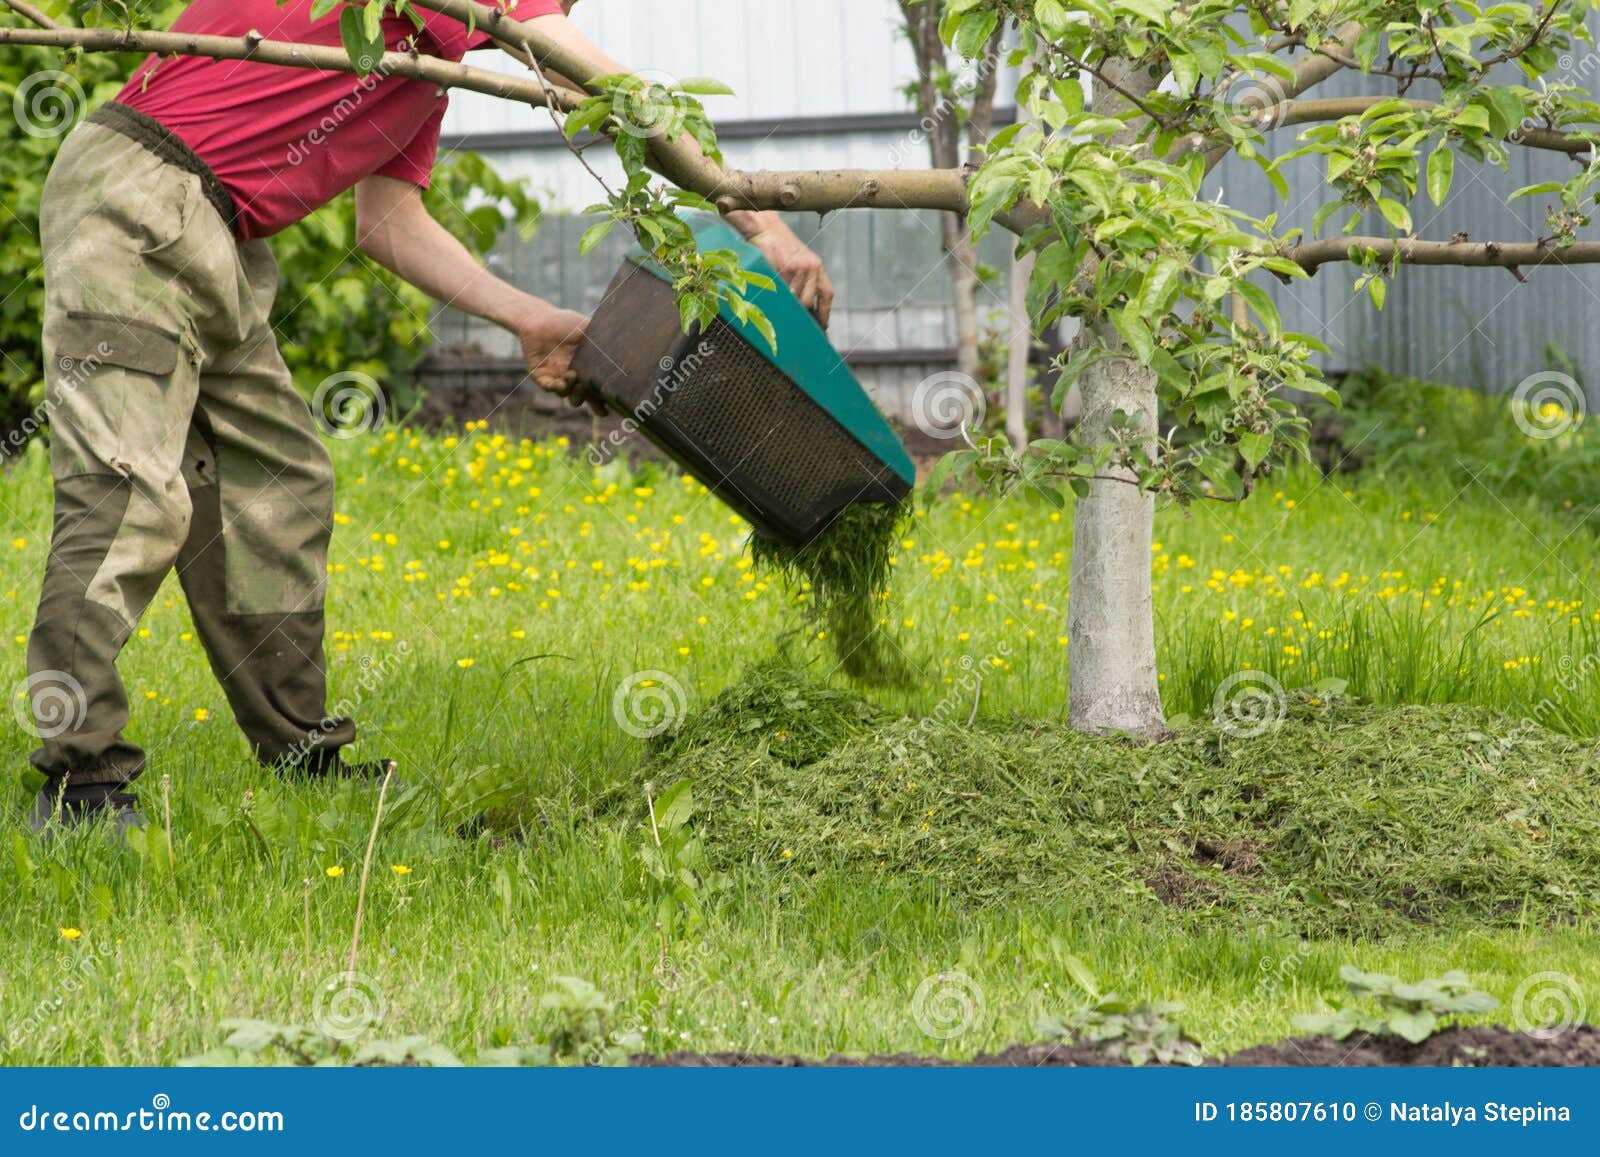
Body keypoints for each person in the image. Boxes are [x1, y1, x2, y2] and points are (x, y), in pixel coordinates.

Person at [24, 0, 835, 832]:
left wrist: (528, 318)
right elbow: (605, 85)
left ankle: (300, 749)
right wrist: (757, 217)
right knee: (130, 492)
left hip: (212, 232)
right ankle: (76, 779)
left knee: (277, 478)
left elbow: (387, 226)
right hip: (138, 199)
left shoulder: (417, 61)